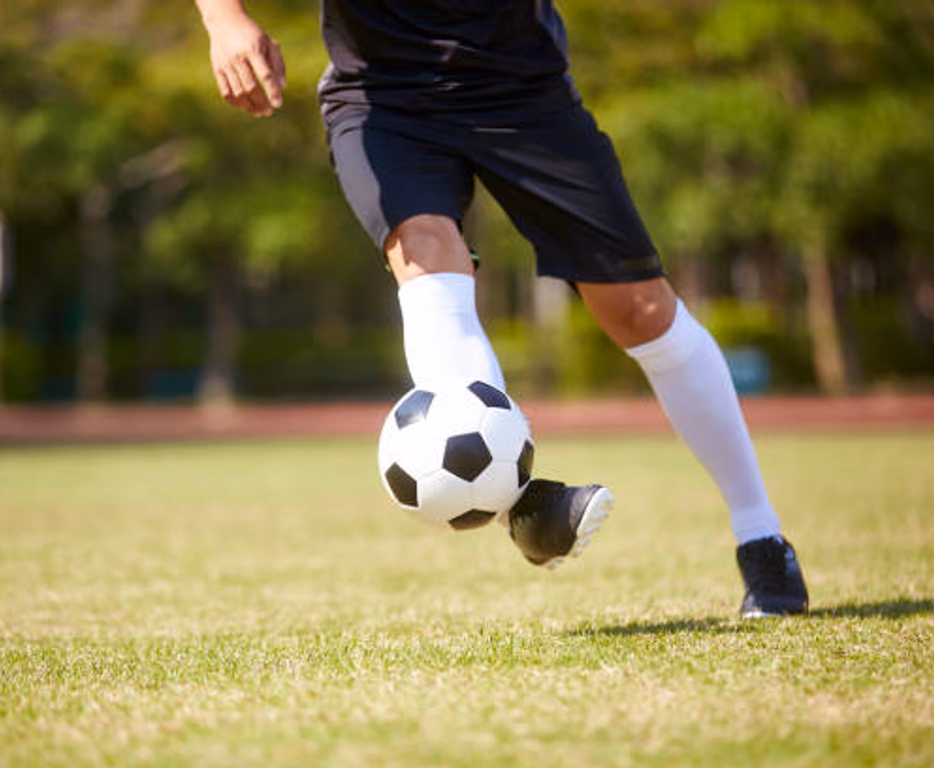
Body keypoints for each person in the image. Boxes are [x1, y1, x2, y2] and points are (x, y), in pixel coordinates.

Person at [194, 0, 809, 617]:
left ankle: (761, 535)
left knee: (640, 309)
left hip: (521, 88)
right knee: (424, 247)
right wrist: (224, 18)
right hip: (383, 97)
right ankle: (524, 507)